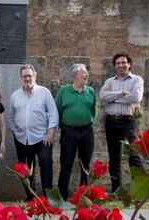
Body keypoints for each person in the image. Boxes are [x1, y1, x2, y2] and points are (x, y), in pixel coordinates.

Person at [8, 64, 59, 200]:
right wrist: (15, 132)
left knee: (45, 163)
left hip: (42, 138)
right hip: (22, 139)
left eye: (29, 75)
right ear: (21, 78)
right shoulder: (15, 96)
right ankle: (30, 197)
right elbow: (10, 117)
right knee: (25, 170)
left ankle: (49, 198)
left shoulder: (45, 92)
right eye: (24, 76)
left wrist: (50, 133)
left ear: (34, 76)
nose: (27, 78)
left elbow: (53, 113)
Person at [99, 52, 144, 192]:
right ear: (114, 66)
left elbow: (136, 97)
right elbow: (102, 96)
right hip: (111, 121)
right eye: (118, 63)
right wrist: (121, 93)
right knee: (114, 158)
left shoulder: (137, 80)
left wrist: (112, 97)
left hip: (129, 122)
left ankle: (139, 190)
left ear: (129, 64)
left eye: (124, 62)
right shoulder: (109, 81)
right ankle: (116, 191)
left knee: (134, 157)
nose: (121, 65)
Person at [55, 64, 97, 201]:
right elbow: (57, 111)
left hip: (87, 131)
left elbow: (93, 112)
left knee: (85, 165)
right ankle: (62, 195)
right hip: (68, 132)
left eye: (86, 72)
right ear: (74, 76)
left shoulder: (90, 91)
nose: (86, 75)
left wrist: (86, 121)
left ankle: (83, 196)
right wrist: (65, 126)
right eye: (83, 73)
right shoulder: (64, 91)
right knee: (66, 163)